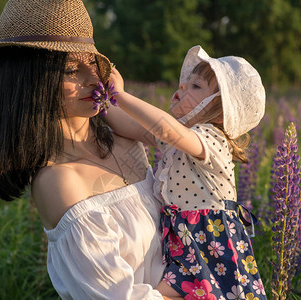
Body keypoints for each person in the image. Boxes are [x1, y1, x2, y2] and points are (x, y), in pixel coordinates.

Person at [0, 0, 184, 299]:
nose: (93, 78)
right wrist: (201, 287)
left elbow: (188, 146)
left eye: (95, 63)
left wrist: (116, 105)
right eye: (73, 69)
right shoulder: (59, 181)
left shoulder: (125, 141)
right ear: (31, 82)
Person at [108, 45, 267, 299]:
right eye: (186, 83)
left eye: (196, 86)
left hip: (211, 247)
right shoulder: (178, 139)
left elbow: (166, 129)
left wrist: (122, 96)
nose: (182, 87)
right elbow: (130, 126)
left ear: (220, 108)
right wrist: (103, 102)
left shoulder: (213, 140)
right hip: (183, 243)